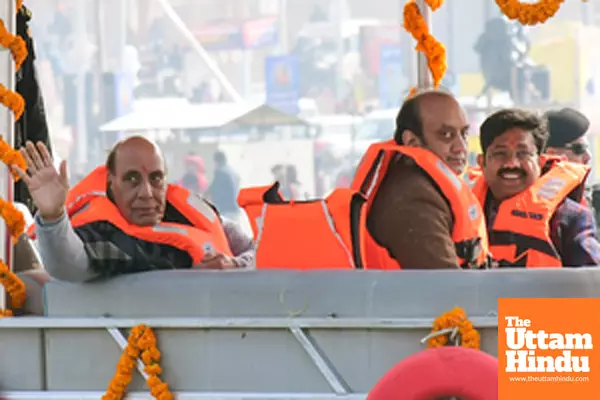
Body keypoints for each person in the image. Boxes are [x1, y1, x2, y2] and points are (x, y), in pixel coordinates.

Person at [21, 137, 255, 282]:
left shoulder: (192, 212)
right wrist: (53, 216)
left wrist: (234, 265)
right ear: (112, 183)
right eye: (132, 179)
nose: (146, 192)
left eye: (155, 179)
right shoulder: (100, 232)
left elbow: (259, 252)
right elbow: (69, 265)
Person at [352, 90, 492, 270]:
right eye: (446, 135)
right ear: (412, 142)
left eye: (464, 134)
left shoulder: (420, 183)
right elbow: (446, 288)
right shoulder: (413, 199)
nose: (461, 147)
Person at [471, 108, 600, 267]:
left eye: (523, 153)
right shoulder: (454, 214)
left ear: (540, 162)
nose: (512, 163)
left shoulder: (570, 219)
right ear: (481, 163)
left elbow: (592, 283)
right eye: (500, 153)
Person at [206, 151, 240, 222]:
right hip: (234, 209)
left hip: (225, 210)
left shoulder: (220, 173)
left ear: (216, 161)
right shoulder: (232, 171)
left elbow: (213, 190)